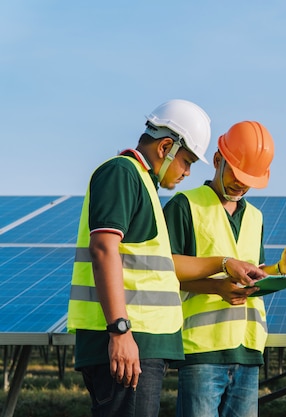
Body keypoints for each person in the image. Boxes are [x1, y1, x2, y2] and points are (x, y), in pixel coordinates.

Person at [66, 100, 265, 417]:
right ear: (166, 147)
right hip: (128, 342)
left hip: (142, 345)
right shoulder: (122, 173)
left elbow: (164, 266)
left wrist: (225, 263)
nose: (187, 172)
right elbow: (104, 249)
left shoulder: (144, 184)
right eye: (186, 161)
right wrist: (119, 331)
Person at [163, 120, 286, 417]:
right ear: (217, 160)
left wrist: (280, 268)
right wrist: (216, 287)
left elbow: (251, 272)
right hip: (202, 351)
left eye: (249, 179)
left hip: (248, 350)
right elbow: (164, 271)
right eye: (237, 174)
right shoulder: (184, 205)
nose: (241, 185)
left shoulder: (255, 217)